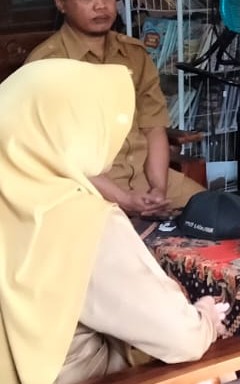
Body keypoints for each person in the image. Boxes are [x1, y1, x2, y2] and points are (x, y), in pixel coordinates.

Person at [0, 59, 227, 384]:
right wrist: (205, 315)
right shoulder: (82, 221)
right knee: (217, 364)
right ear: (70, 133)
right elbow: (183, 339)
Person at [26, 0, 204, 215]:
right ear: (61, 2)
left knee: (223, 214)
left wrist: (158, 189)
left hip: (146, 179)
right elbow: (60, 156)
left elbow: (153, 127)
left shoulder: (133, 54)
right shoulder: (46, 65)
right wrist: (125, 200)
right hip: (84, 189)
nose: (101, 6)